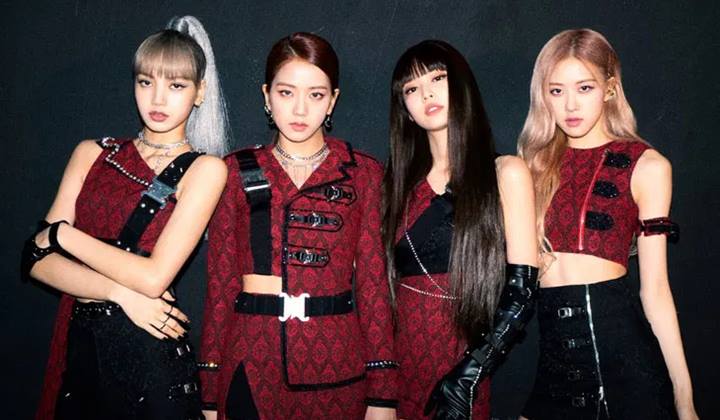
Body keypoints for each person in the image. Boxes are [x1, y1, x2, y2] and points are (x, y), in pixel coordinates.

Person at [23, 15, 229, 419]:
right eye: (146, 82)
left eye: (176, 85)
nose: (158, 99)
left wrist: (62, 235)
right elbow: (34, 260)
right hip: (83, 352)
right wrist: (121, 294)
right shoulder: (92, 153)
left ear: (200, 92)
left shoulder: (205, 169)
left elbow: (153, 278)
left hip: (149, 354)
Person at [199, 32, 398, 420]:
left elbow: (374, 287)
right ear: (266, 95)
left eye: (316, 95)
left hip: (336, 364)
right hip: (251, 361)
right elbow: (220, 286)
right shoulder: (234, 171)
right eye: (286, 92)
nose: (300, 109)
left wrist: (383, 395)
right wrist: (208, 391)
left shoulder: (363, 173)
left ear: (333, 100)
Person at [518, 28, 698, 419]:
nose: (570, 104)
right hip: (553, 370)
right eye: (556, 91)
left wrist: (685, 399)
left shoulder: (647, 165)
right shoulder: (530, 168)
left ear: (610, 88)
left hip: (625, 367)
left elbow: (656, 290)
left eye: (584, 88)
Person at [382, 40, 538, 420]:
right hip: (393, 370)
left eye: (438, 78)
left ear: (462, 85)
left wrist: (468, 375)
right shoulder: (394, 185)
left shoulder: (505, 173)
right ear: (405, 108)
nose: (427, 94)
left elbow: (521, 292)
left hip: (461, 368)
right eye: (412, 88)